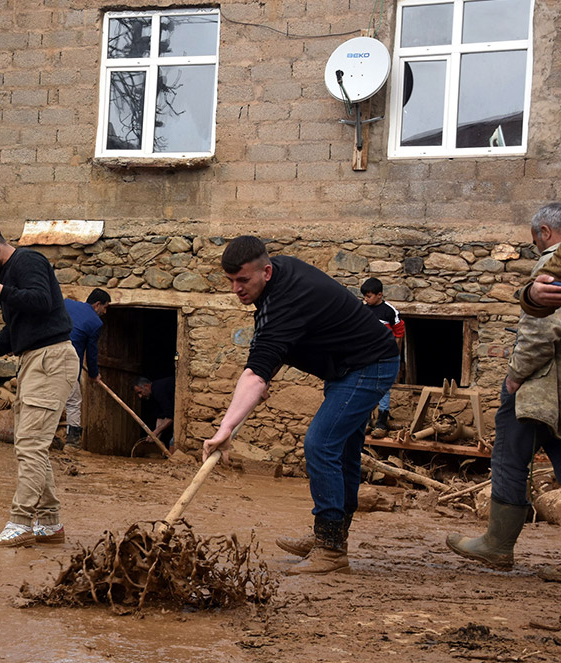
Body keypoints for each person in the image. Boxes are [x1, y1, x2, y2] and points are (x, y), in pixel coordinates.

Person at [202, 236, 398, 575]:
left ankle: (331, 549)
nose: (236, 288)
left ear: (265, 271)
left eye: (243, 280)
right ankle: (332, 535)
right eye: (231, 281)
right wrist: (264, 375)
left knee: (320, 445)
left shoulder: (285, 300)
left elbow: (256, 373)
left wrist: (226, 429)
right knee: (343, 453)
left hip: (370, 365)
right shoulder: (279, 276)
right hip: (346, 367)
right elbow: (274, 351)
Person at [448, 203, 561, 583]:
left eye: (536, 241)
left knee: (510, 456)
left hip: (542, 385)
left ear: (546, 233)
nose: (537, 248)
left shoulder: (553, 263)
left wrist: (515, 375)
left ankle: (498, 544)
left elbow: (541, 329)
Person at [0, 220, 78, 547]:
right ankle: (49, 523)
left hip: (51, 359)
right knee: (29, 443)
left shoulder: (29, 262)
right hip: (32, 360)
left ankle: (21, 521)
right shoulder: (6, 276)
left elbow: (42, 302)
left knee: (30, 445)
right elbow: (18, 325)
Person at [63, 289, 110, 446]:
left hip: (46, 355)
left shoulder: (67, 304)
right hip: (68, 363)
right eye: (105, 307)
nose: (105, 311)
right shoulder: (96, 323)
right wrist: (94, 374)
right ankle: (73, 441)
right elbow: (91, 352)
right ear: (97, 304)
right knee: (73, 401)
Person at [360, 278, 405, 437]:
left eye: (369, 296)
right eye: (365, 296)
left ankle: (381, 423)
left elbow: (399, 333)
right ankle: (364, 422)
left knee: (384, 390)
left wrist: (394, 353)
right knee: (365, 389)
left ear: (380, 295)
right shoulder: (363, 310)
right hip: (367, 356)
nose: (366, 299)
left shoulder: (389, 311)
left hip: (385, 357)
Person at [133, 375, 175, 447]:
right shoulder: (154, 395)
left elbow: (170, 416)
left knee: (173, 443)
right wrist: (156, 437)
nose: (140, 396)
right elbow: (160, 417)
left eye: (140, 392)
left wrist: (155, 433)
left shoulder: (158, 389)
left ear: (146, 386)